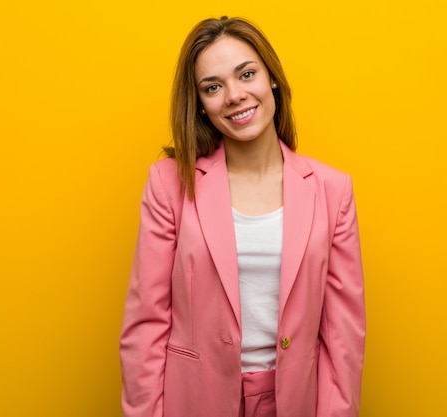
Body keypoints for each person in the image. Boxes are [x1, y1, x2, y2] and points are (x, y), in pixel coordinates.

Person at [120, 16, 365, 417]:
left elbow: (344, 336)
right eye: (213, 87)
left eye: (246, 74)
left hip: (296, 400)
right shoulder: (169, 183)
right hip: (196, 399)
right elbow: (146, 323)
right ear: (200, 104)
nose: (234, 95)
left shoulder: (332, 189)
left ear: (271, 78)